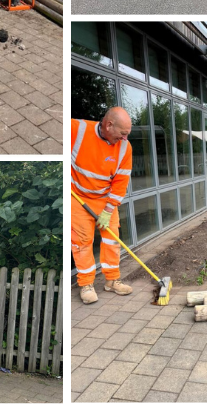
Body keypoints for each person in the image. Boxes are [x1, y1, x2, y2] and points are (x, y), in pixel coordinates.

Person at [70, 107, 134, 305]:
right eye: (123, 133)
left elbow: (121, 181)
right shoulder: (76, 130)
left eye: (127, 134)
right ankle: (86, 284)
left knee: (112, 240)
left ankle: (112, 280)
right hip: (77, 197)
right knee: (82, 242)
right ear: (109, 125)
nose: (125, 138)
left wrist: (109, 209)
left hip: (105, 200)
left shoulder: (125, 148)